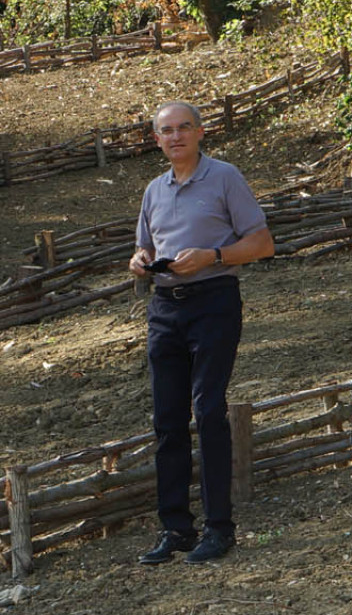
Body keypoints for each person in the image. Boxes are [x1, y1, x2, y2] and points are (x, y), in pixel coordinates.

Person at [127, 100, 273, 565]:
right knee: (167, 421)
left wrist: (211, 256)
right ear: (156, 139)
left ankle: (219, 528)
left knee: (208, 410)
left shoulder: (226, 177)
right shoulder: (154, 189)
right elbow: (145, 246)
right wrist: (139, 261)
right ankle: (176, 529)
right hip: (165, 307)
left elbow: (262, 243)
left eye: (184, 128)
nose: (175, 137)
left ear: (201, 131)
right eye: (166, 131)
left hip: (213, 301)